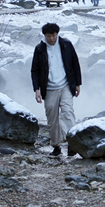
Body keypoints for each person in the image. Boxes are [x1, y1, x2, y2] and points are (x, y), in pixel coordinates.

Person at [31, 23, 82, 159]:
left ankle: (72, 144)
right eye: (49, 36)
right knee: (52, 118)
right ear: (44, 36)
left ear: (57, 34)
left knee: (68, 112)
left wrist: (78, 84)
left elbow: (75, 63)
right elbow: (35, 70)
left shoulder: (66, 45)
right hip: (49, 88)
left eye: (54, 35)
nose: (52, 38)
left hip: (66, 85)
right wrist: (36, 89)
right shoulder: (40, 49)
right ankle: (56, 146)